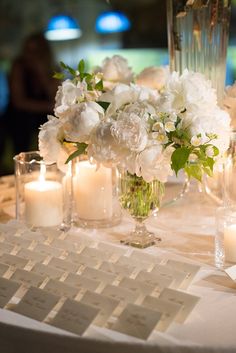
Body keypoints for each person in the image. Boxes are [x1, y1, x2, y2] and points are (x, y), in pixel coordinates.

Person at [5, 32, 58, 157]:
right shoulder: (18, 66)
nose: (32, 55)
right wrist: (49, 107)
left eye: (36, 51)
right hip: (20, 122)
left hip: (43, 121)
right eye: (29, 51)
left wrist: (42, 73)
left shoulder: (52, 69)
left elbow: (54, 96)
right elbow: (19, 102)